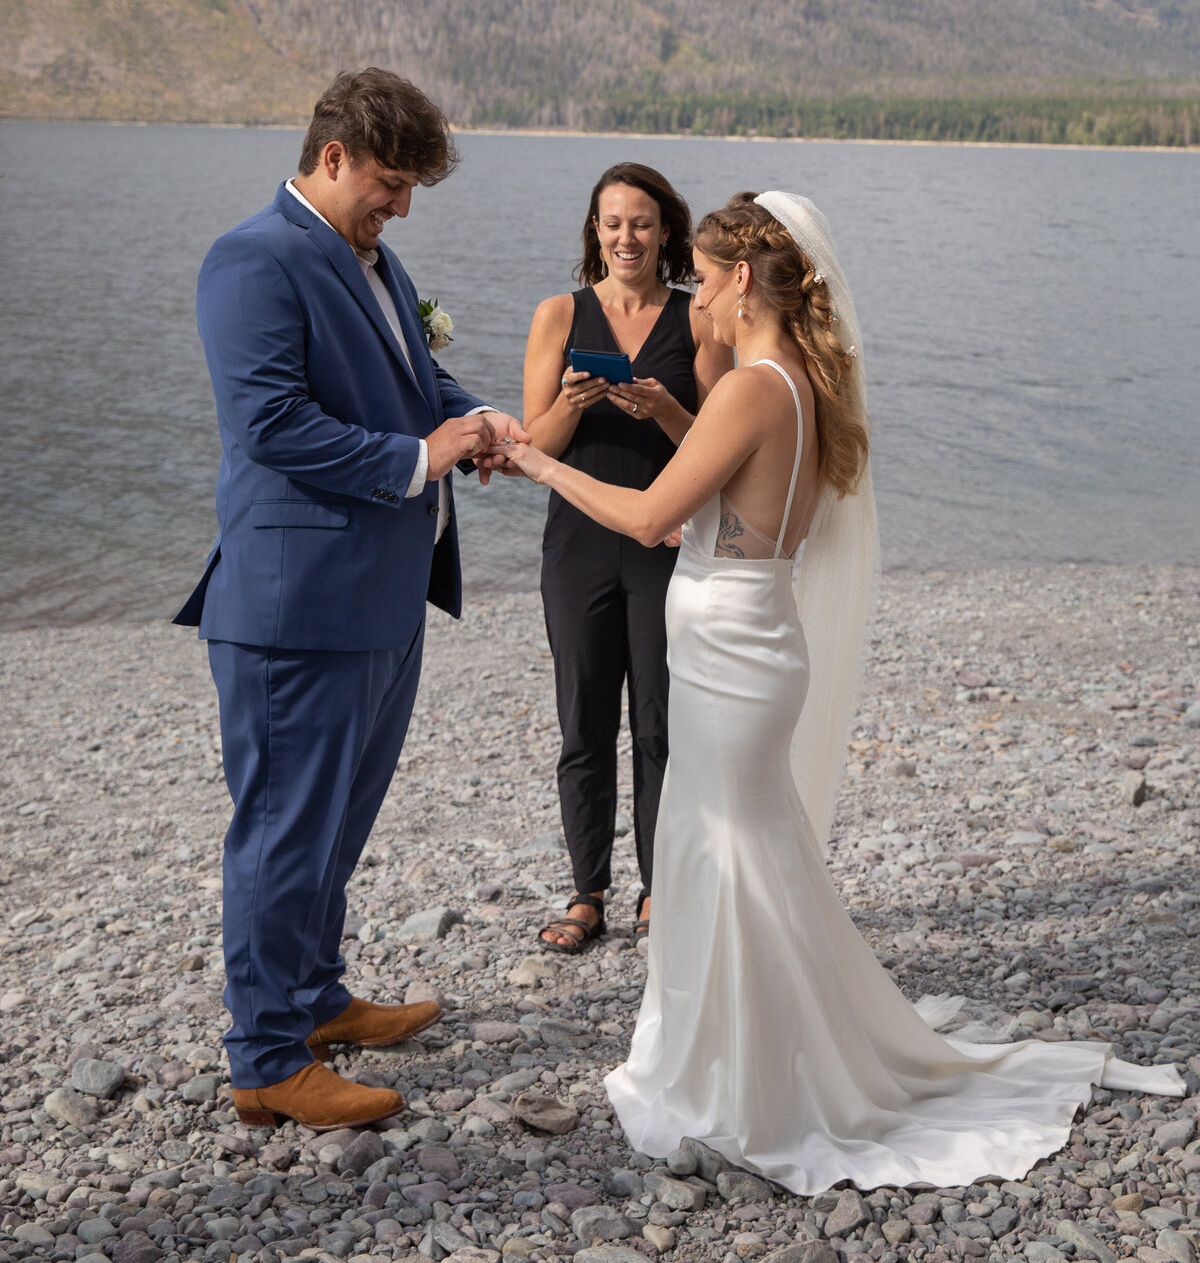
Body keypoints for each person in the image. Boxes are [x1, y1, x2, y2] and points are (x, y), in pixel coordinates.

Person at [505, 190, 1182, 1191]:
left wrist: (531, 460)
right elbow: (741, 502)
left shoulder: (753, 385)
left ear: (740, 280)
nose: (696, 299)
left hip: (732, 653)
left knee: (730, 852)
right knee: (737, 848)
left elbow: (652, 518)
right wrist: (675, 412)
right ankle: (757, 1049)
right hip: (750, 640)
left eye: (704, 276)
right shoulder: (789, 383)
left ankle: (751, 1079)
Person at [174, 68, 526, 1131]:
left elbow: (413, 380)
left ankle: (317, 997)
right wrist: (423, 457)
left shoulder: (368, 256)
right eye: (389, 181)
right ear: (331, 157)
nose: (402, 204)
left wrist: (478, 421)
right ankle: (267, 1058)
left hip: (380, 600)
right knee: (284, 829)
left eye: (413, 186)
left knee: (335, 824)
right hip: (297, 608)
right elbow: (272, 425)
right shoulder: (252, 260)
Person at [524, 164, 731, 953]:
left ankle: (660, 886)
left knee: (658, 723)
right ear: (594, 231)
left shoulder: (699, 322)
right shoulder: (557, 316)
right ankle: (587, 893)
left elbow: (718, 447)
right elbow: (530, 448)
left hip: (665, 543)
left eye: (641, 223)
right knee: (582, 721)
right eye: (612, 223)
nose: (626, 238)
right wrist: (569, 408)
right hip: (576, 546)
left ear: (665, 232)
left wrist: (667, 406)